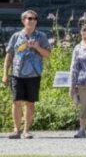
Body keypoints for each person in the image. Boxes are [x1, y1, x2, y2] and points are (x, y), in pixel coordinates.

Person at [2, 9, 51, 139]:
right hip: (17, 74)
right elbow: (9, 56)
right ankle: (16, 130)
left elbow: (47, 54)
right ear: (23, 20)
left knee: (30, 103)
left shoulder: (41, 36)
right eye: (29, 18)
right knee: (16, 102)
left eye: (34, 19)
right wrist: (5, 74)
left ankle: (26, 131)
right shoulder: (16, 36)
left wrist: (37, 47)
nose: (32, 21)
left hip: (34, 74)